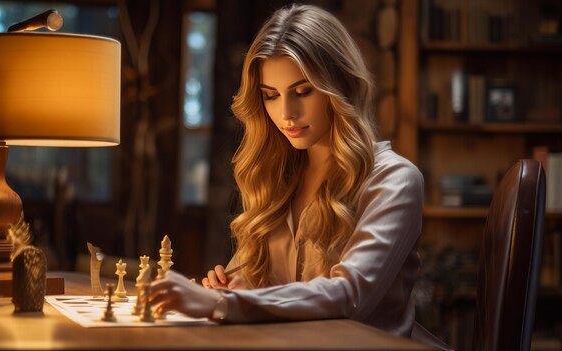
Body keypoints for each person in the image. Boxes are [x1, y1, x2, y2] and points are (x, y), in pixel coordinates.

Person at [150, 4, 447, 348]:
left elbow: (350, 296)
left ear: (341, 86)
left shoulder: (394, 180)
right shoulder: (276, 177)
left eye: (303, 91)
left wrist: (221, 303)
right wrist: (232, 286)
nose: (286, 113)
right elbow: (252, 287)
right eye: (271, 96)